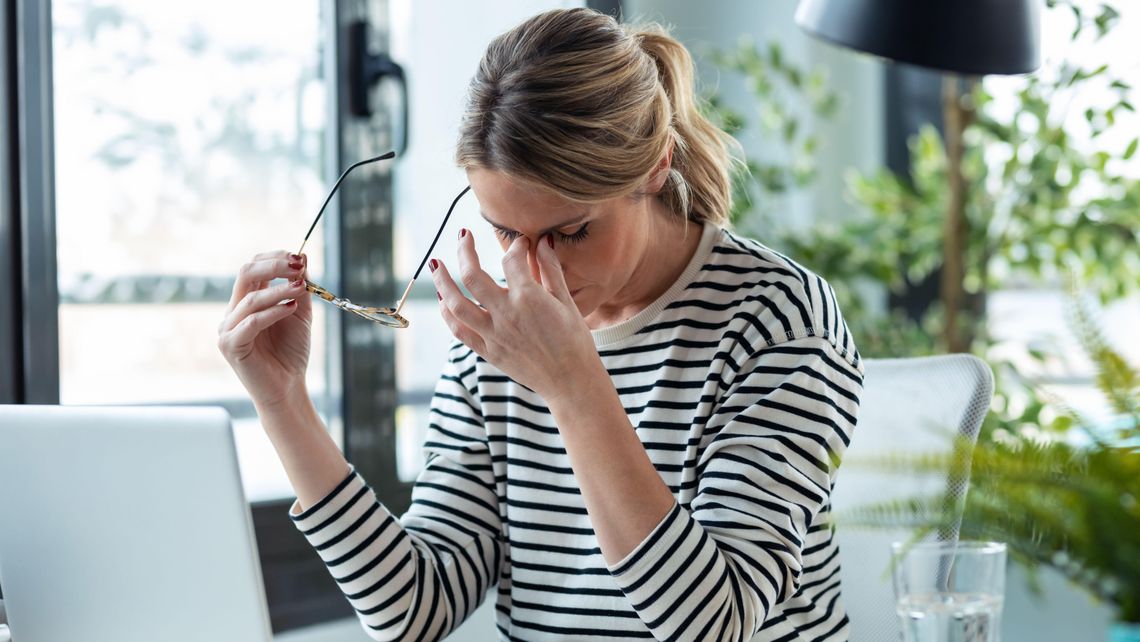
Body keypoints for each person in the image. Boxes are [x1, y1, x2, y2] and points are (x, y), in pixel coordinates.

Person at [218, 7, 862, 641]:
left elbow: (715, 623)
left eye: (572, 232)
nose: (530, 269)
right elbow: (411, 611)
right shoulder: (497, 343)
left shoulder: (778, 319)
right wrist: (283, 404)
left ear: (657, 164)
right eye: (505, 231)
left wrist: (572, 384)